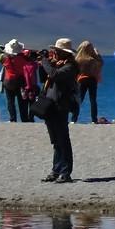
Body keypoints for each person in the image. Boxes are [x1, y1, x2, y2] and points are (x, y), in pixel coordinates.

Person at [39, 41, 79, 183]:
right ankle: (56, 170)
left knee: (63, 139)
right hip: (50, 105)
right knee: (55, 140)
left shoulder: (70, 67)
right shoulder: (56, 64)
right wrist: (43, 64)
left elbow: (55, 75)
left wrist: (45, 62)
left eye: (57, 51)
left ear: (64, 53)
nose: (54, 53)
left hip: (61, 105)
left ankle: (65, 172)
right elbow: (43, 78)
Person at [0, 40, 33, 122]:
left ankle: (12, 119)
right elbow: (30, 62)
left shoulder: (5, 59)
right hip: (21, 82)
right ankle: (24, 119)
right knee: (22, 102)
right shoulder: (23, 59)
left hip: (8, 82)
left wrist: (2, 52)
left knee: (10, 102)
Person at [73, 41, 103, 124]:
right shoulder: (92, 59)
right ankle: (94, 119)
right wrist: (97, 53)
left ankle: (74, 119)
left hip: (81, 80)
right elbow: (101, 63)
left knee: (79, 100)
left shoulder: (78, 59)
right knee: (93, 100)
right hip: (92, 80)